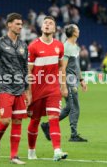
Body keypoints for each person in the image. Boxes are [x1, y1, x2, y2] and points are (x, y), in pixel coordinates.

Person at [0, 13, 28, 165]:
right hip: (4, 87)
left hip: (19, 88)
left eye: (21, 24)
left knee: (17, 121)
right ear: (9, 24)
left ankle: (14, 156)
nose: (20, 26)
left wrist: (27, 90)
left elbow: (25, 69)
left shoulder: (24, 45)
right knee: (5, 120)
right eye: (17, 23)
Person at [26, 16, 68, 161]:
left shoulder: (59, 46)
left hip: (53, 89)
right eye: (45, 23)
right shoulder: (33, 46)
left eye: (51, 23)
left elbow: (62, 66)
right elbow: (28, 71)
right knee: (35, 121)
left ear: (54, 29)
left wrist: (63, 86)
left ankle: (57, 150)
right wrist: (28, 93)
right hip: (37, 89)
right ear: (41, 27)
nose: (47, 25)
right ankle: (31, 151)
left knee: (53, 118)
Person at [40, 24, 88, 142]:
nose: (79, 30)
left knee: (70, 107)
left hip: (74, 81)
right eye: (77, 29)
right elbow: (62, 67)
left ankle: (48, 125)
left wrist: (81, 80)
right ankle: (73, 134)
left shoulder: (75, 47)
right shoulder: (66, 47)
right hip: (69, 81)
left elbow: (76, 66)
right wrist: (64, 85)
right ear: (74, 33)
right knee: (74, 107)